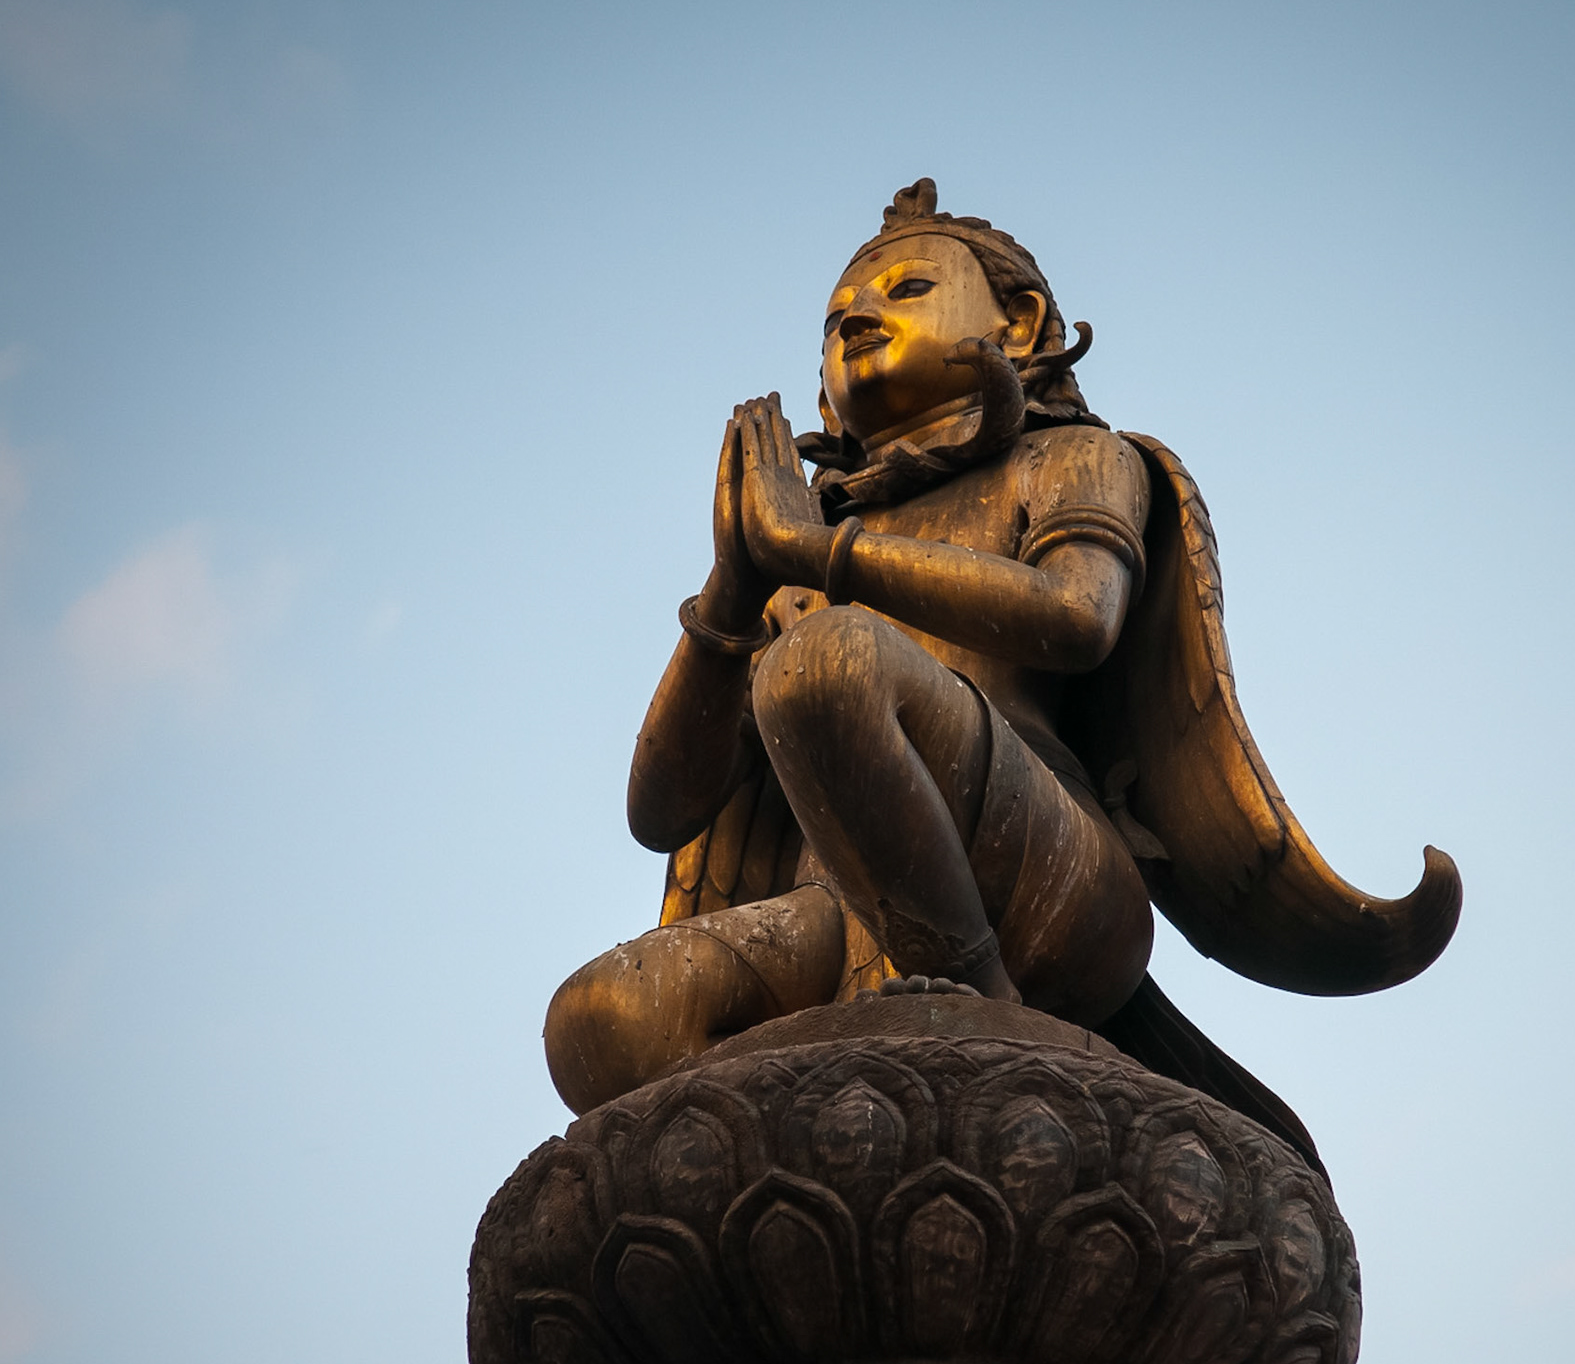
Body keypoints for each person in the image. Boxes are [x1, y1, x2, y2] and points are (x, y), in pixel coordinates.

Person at [543, 181, 1460, 1137]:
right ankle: (794, 1132)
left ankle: (982, 1019)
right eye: (836, 316)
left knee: (826, 664)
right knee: (599, 1022)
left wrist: (815, 555)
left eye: (906, 290)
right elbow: (660, 813)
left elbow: (1077, 618)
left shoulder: (1068, 461)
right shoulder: (791, 554)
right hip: (839, 908)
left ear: (1016, 324)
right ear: (822, 394)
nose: (858, 313)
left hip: (1037, 868)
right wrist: (737, 579)